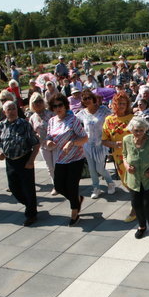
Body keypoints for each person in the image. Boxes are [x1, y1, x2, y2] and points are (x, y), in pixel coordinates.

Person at [0, 101, 40, 226]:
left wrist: (31, 161)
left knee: (28, 188)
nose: (12, 111)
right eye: (9, 109)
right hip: (10, 161)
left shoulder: (24, 124)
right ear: (4, 112)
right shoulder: (0, 126)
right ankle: (30, 205)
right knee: (14, 188)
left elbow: (36, 144)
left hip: (25, 159)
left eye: (14, 108)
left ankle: (31, 213)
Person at [46, 94, 88, 226]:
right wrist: (48, 143)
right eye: (55, 106)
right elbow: (48, 137)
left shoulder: (72, 120)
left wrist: (72, 143)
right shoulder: (52, 121)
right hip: (60, 159)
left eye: (60, 105)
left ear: (65, 105)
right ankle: (77, 199)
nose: (58, 108)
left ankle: (74, 213)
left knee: (71, 186)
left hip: (76, 158)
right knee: (58, 186)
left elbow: (84, 138)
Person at [122, 116, 149, 244]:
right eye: (136, 130)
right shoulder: (126, 140)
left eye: (141, 130)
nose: (139, 133)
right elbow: (124, 155)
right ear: (131, 130)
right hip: (133, 179)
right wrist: (127, 166)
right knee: (136, 204)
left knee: (147, 205)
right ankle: (142, 226)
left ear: (145, 129)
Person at [102, 91, 136, 222]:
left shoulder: (133, 118)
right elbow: (104, 140)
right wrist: (113, 143)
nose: (121, 106)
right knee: (125, 183)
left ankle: (135, 209)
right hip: (118, 157)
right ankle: (139, 201)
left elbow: (142, 135)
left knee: (133, 182)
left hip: (133, 156)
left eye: (124, 103)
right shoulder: (109, 120)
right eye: (119, 103)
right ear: (114, 104)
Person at [76, 90, 115, 199]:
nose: (87, 101)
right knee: (92, 169)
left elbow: (113, 118)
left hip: (101, 144)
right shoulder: (82, 113)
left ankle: (110, 183)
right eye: (84, 99)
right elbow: (73, 121)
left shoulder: (103, 110)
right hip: (88, 145)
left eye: (89, 98)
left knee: (99, 168)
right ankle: (96, 188)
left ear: (93, 99)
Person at [27, 92, 57, 194]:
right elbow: (31, 132)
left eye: (40, 101)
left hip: (55, 143)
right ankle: (56, 186)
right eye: (36, 102)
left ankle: (63, 183)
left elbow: (58, 126)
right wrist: (35, 136)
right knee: (50, 167)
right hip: (43, 145)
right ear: (32, 104)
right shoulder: (32, 118)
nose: (39, 103)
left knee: (57, 165)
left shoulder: (50, 113)